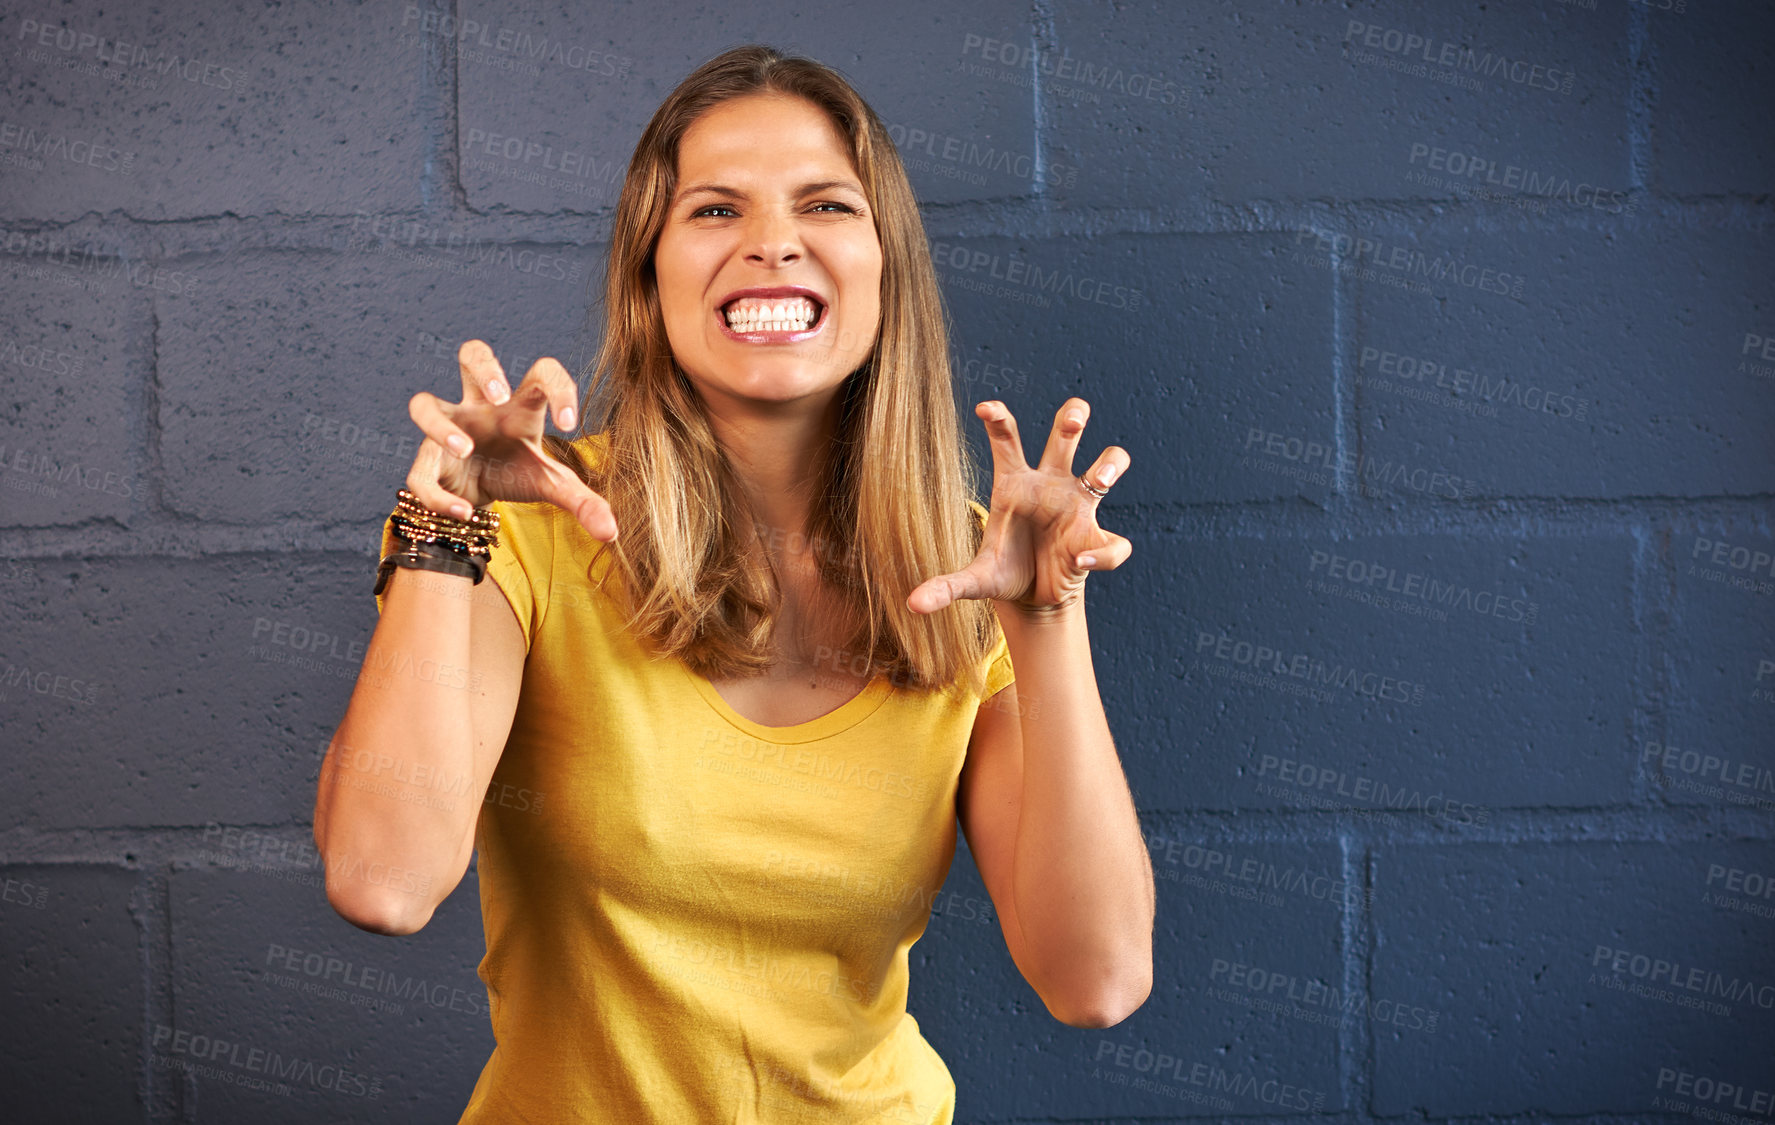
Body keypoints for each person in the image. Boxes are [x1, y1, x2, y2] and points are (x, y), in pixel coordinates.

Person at [313, 43, 1152, 1124]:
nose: (769, 245)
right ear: (647, 271)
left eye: (824, 206)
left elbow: (1095, 980)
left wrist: (1044, 620)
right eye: (713, 211)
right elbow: (382, 881)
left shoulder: (973, 567)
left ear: (884, 264)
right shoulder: (516, 528)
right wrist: (443, 526)